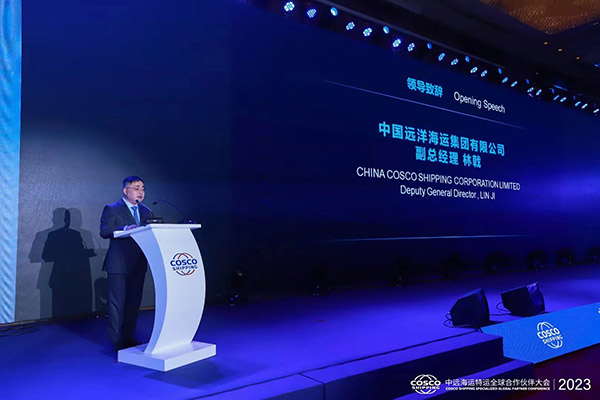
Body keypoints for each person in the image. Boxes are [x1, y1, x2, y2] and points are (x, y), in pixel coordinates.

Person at [100, 176, 154, 351]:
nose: (141, 192)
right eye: (137, 188)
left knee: (133, 303)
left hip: (138, 263)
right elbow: (104, 231)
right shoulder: (112, 209)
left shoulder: (146, 211)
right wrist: (124, 229)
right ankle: (117, 342)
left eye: (143, 189)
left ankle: (129, 337)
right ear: (125, 190)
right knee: (117, 304)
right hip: (118, 264)